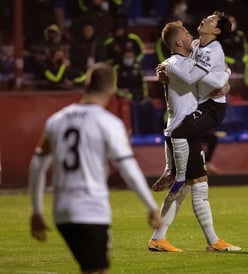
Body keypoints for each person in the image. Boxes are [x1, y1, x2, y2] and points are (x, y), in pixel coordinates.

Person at [29, 63, 161, 273]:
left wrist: (36, 211)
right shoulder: (109, 123)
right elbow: (128, 168)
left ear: (86, 85)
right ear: (112, 89)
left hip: (61, 211)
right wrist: (152, 206)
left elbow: (37, 164)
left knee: (95, 267)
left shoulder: (56, 120)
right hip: (91, 208)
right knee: (96, 269)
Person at [148, 19, 240, 253]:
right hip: (181, 130)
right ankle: (198, 239)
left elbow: (215, 69)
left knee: (194, 186)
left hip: (188, 129)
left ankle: (202, 240)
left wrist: (225, 77)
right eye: (187, 34)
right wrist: (223, 80)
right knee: (187, 186)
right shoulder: (173, 65)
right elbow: (196, 76)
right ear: (179, 41)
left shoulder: (185, 60)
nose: (192, 37)